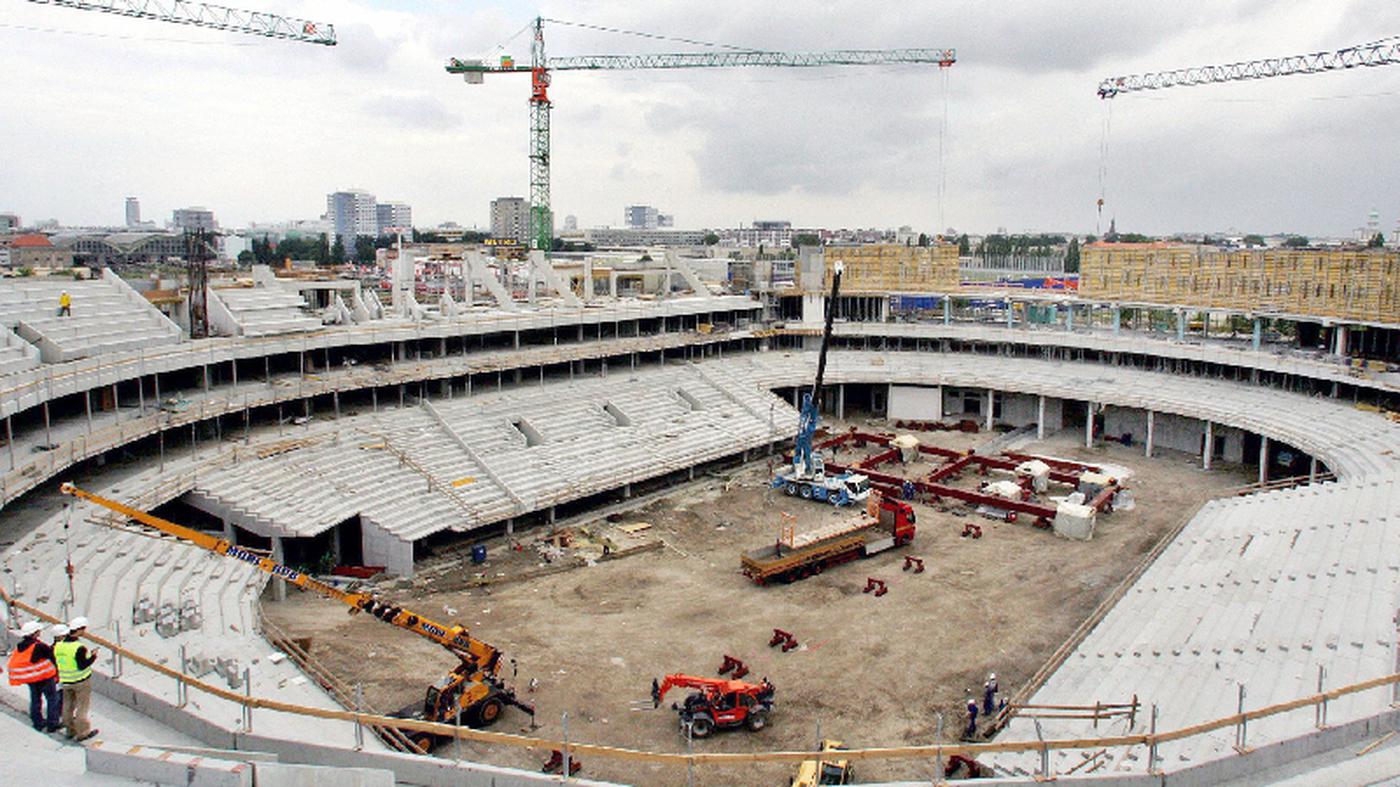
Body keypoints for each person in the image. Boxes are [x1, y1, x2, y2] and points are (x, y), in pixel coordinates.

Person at [7, 620, 62, 732]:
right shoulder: (39, 646)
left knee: (35, 699)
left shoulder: (20, 646)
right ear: (35, 633)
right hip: (45, 678)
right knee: (52, 699)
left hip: (31, 678)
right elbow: (52, 658)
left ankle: (37, 722)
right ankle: (52, 724)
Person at [54, 618, 99, 742]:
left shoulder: (59, 646)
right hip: (81, 681)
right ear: (79, 630)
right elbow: (82, 665)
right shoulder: (79, 647)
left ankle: (70, 730)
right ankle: (82, 732)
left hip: (66, 681)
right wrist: (93, 656)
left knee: (67, 706)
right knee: (82, 708)